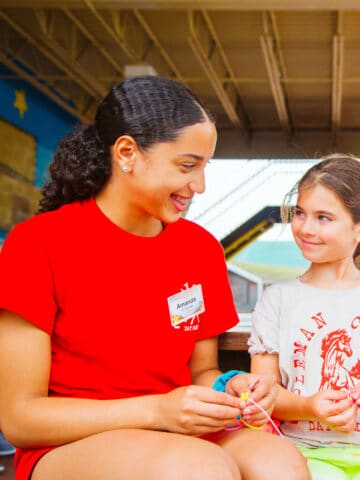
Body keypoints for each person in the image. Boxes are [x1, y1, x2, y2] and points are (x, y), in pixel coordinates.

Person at [0, 76, 308, 480]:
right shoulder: (37, 243)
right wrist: (156, 410)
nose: (199, 186)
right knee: (201, 470)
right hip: (69, 444)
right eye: (187, 166)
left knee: (280, 464)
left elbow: (202, 374)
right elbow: (20, 419)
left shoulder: (201, 249)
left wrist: (232, 388)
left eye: (204, 167)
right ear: (127, 152)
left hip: (175, 428)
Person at [249, 155, 360, 479]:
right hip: (303, 452)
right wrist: (308, 406)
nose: (306, 227)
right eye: (300, 213)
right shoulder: (277, 300)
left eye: (323, 217)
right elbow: (264, 391)